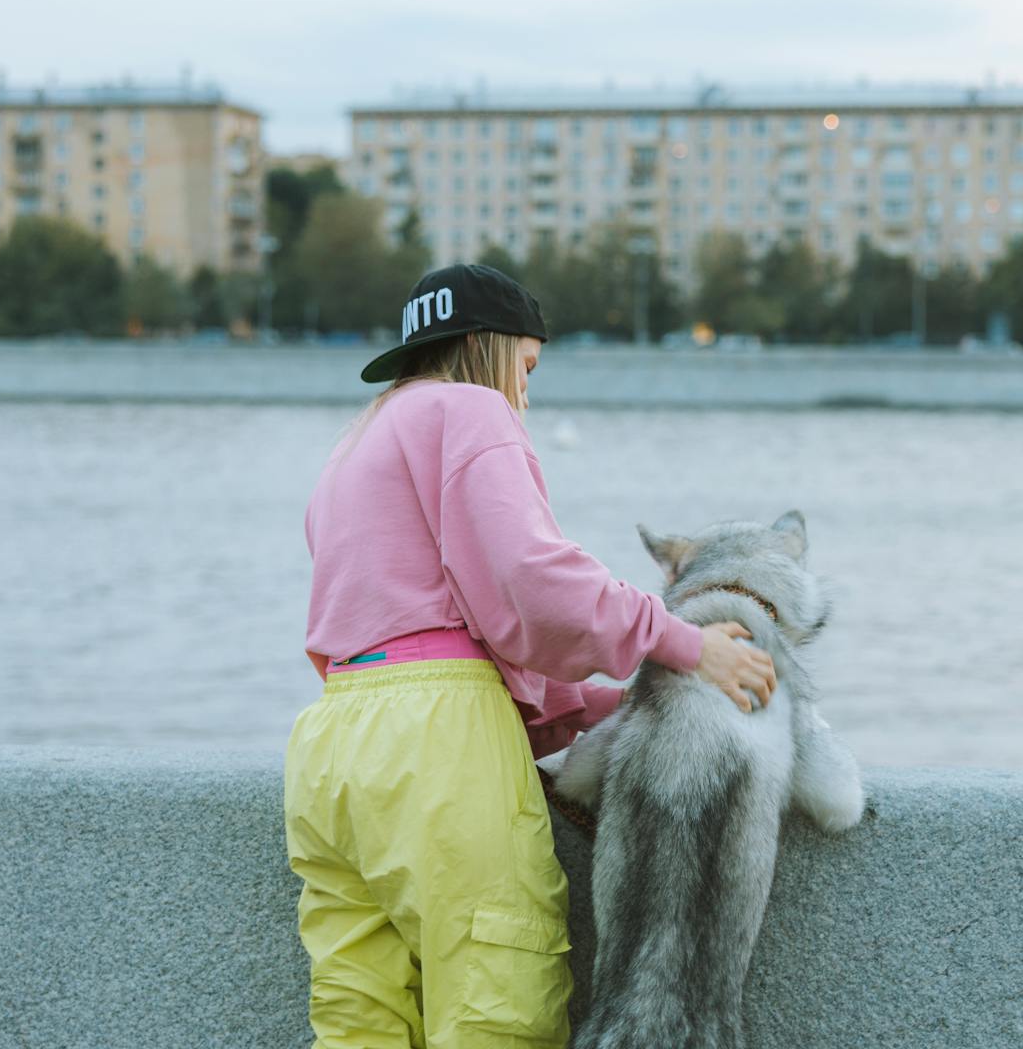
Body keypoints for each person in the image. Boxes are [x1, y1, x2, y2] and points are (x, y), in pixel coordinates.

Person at [283, 263, 776, 1048]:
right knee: (496, 1003)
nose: (526, 392)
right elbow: (530, 582)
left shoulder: (358, 441)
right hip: (434, 744)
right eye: (528, 366)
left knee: (357, 1017)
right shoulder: (470, 410)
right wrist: (684, 644)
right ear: (488, 347)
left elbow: (434, 628)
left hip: (334, 743)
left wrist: (632, 705)